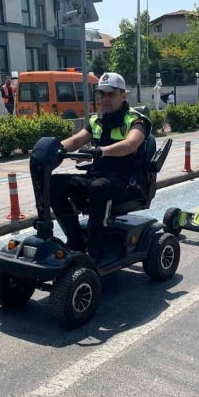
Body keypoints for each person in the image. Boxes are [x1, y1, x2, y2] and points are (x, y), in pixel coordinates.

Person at [50, 72, 152, 260]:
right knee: (54, 184)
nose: (105, 99)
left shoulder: (136, 120)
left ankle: (96, 248)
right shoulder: (97, 121)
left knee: (99, 187)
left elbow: (130, 145)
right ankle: (76, 241)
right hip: (99, 177)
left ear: (123, 95)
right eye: (102, 94)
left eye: (111, 94)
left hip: (128, 182)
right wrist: (51, 148)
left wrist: (100, 150)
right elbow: (74, 141)